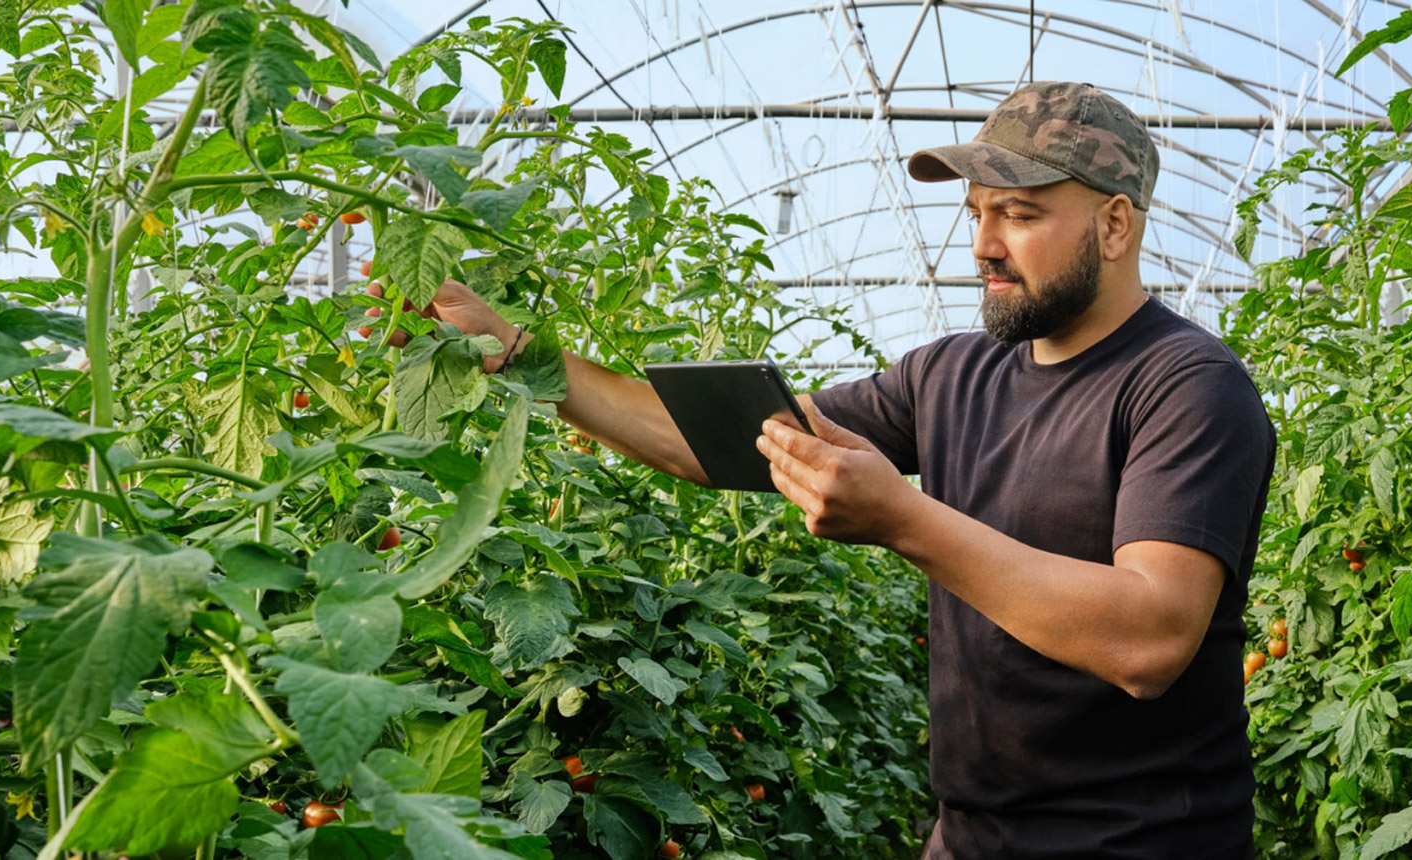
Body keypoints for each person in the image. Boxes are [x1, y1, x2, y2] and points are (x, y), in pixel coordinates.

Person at [376, 81, 1275, 859]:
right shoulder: (954, 374)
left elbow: (1148, 638)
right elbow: (728, 440)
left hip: (1141, 842)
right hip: (973, 833)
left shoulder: (1187, 389)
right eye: (978, 213)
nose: (984, 246)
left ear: (1115, 224)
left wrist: (905, 520)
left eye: (1023, 214)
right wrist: (522, 353)